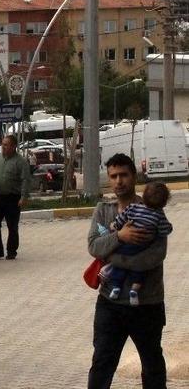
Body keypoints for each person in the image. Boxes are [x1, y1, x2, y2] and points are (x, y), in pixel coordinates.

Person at [87, 153, 167, 389]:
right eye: (114, 176)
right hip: (110, 304)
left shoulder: (152, 209)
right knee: (102, 362)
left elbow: (154, 256)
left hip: (147, 303)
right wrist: (119, 236)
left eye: (123, 175)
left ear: (134, 176)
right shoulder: (104, 211)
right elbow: (93, 246)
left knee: (152, 364)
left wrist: (112, 258)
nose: (119, 181)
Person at [100, 181, 172, 306]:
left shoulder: (133, 208)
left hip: (126, 246)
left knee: (119, 267)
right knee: (139, 271)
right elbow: (165, 230)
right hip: (142, 247)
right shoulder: (159, 215)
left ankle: (116, 286)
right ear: (164, 203)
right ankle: (134, 289)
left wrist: (115, 227)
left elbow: (121, 219)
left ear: (143, 197)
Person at [0, 135, 31, 260]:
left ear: (13, 146)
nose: (3, 147)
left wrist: (23, 197)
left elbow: (25, 180)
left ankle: (11, 251)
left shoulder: (20, 162)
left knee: (12, 226)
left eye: (6, 145)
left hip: (12, 198)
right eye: (2, 144)